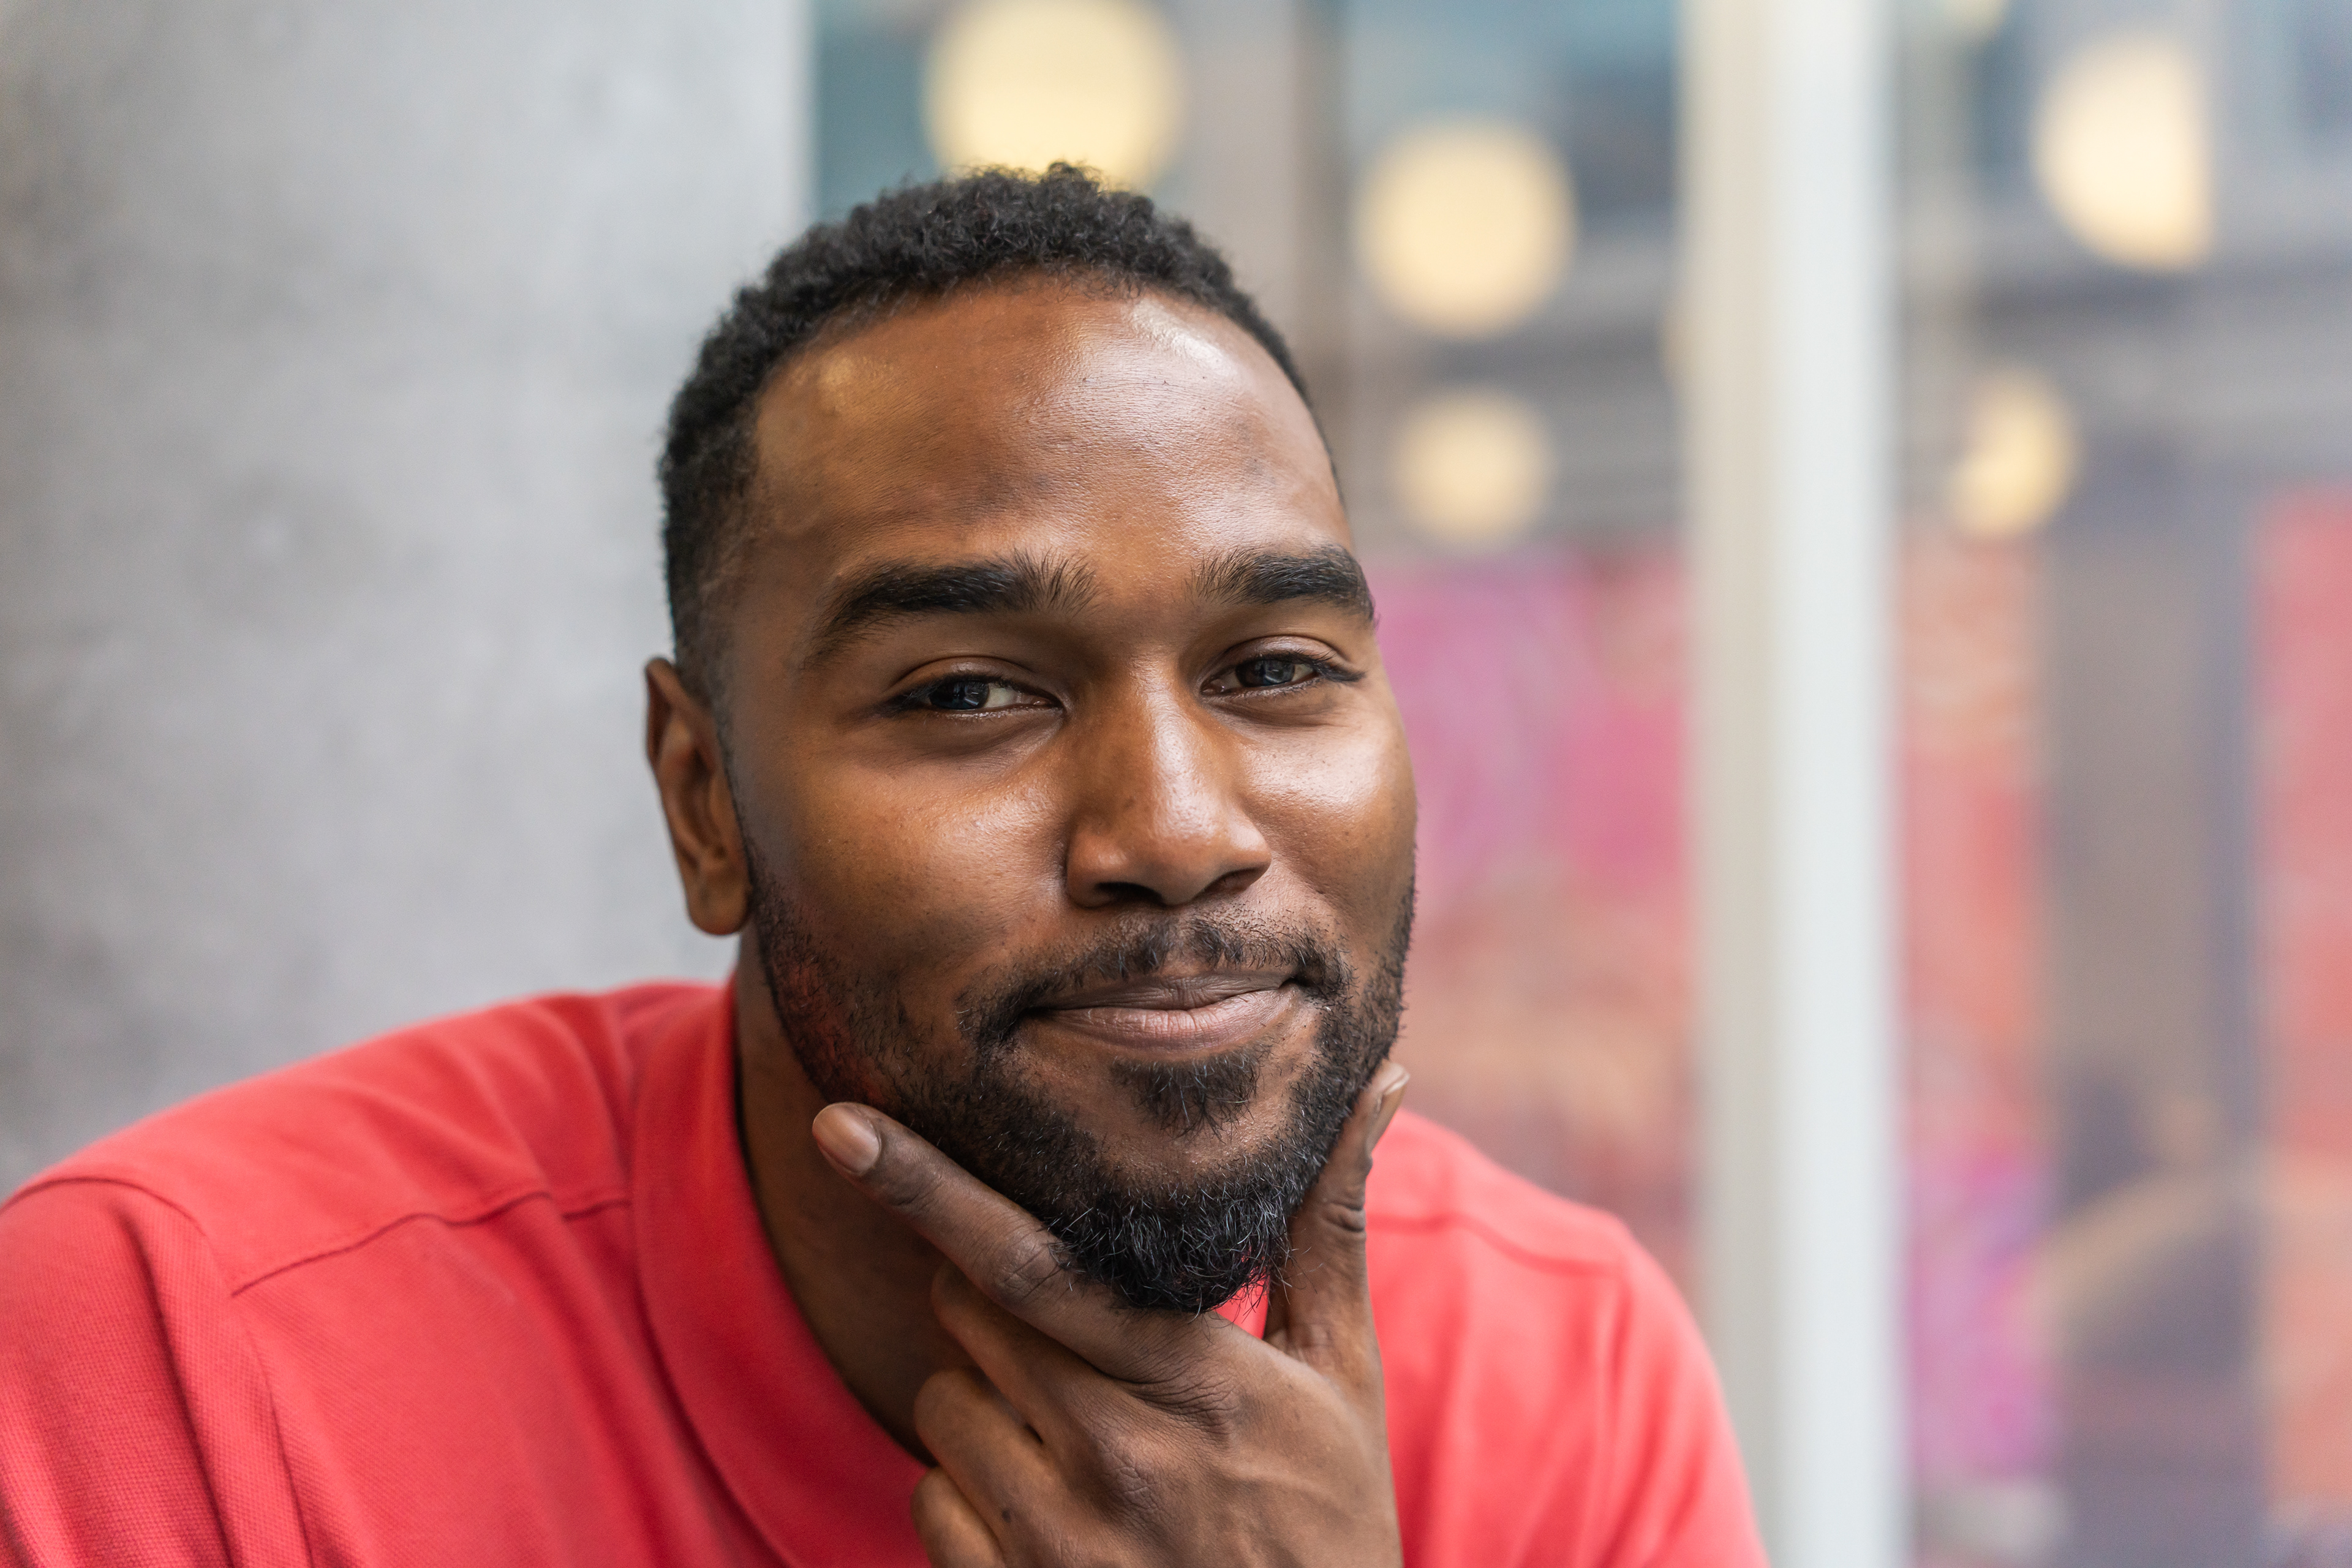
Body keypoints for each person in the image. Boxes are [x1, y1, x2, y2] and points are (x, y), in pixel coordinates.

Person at [0, 167, 1763, 1567]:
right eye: (970, 694)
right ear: (705, 801)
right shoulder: (186, 1362)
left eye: (1279, 669)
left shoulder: (1567, 1377)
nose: (1177, 834)